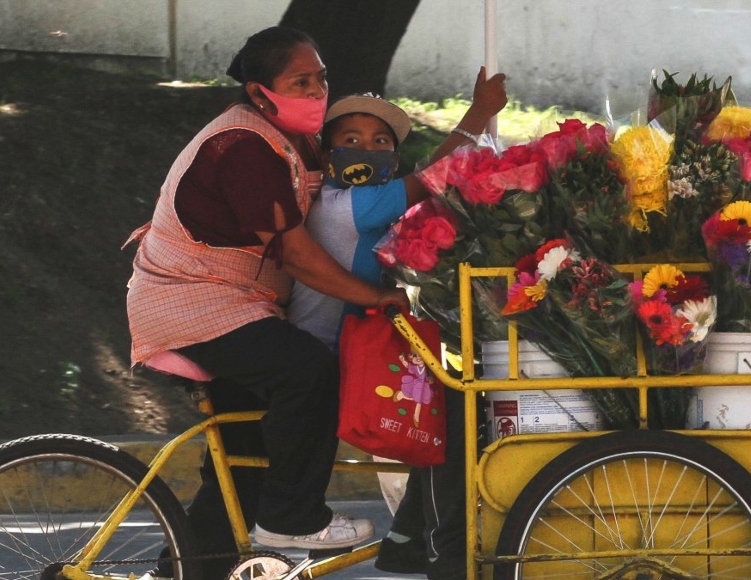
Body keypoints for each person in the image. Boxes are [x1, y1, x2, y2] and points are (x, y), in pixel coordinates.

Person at [123, 26, 409, 579]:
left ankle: (182, 573)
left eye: (320, 79)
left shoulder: (290, 140)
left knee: (245, 461)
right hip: (194, 305)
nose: (316, 92)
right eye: (299, 82)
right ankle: (295, 518)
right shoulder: (243, 147)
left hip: (235, 305)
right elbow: (298, 256)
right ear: (260, 93)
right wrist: (377, 296)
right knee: (308, 372)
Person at [285, 70, 506, 580]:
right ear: (326, 154)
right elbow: (432, 173)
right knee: (451, 409)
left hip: (366, 343)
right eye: (351, 140)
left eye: (381, 141)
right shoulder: (344, 207)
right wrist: (478, 112)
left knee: (450, 402)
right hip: (335, 355)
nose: (367, 148)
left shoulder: (373, 204)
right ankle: (444, 554)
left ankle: (408, 539)